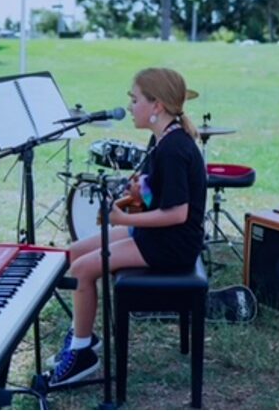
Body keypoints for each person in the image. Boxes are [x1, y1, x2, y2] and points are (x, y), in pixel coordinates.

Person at [48, 67, 207, 387]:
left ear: (157, 105)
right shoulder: (161, 137)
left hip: (172, 243)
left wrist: (123, 219)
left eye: (135, 100)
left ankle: (81, 354)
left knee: (82, 269)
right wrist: (137, 192)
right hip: (159, 234)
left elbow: (176, 213)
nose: (131, 106)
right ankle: (85, 335)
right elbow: (155, 196)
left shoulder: (175, 148)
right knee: (73, 252)